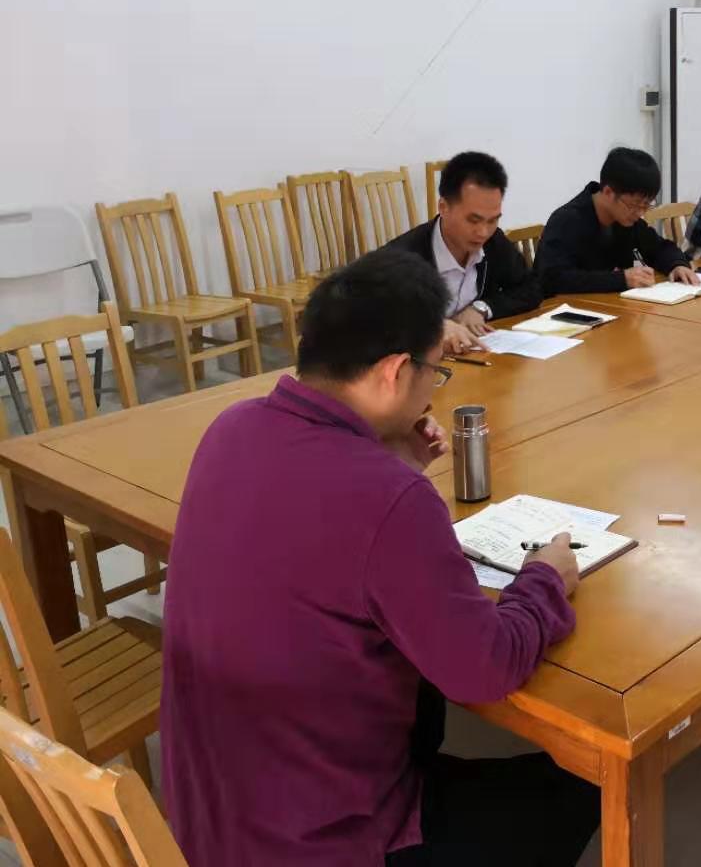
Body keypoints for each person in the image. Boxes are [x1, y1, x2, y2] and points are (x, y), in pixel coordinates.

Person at [161, 249, 598, 866]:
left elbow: (328, 537)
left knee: (419, 685)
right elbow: (485, 668)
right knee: (585, 786)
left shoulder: (230, 428)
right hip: (316, 844)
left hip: (209, 816)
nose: (432, 392)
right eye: (435, 371)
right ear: (394, 371)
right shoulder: (388, 498)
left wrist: (392, 465)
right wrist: (544, 579)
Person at [384, 151, 541, 356]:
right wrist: (434, 327)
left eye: (493, 220)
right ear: (443, 207)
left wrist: (481, 308)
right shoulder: (403, 257)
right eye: (473, 220)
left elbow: (530, 287)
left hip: (475, 359)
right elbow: (368, 318)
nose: (483, 232)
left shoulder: (493, 242)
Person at [535, 145, 701, 295]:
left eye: (646, 205)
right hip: (564, 310)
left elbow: (659, 247)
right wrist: (621, 279)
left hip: (610, 306)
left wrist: (677, 265)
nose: (640, 213)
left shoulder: (625, 219)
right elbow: (553, 278)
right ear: (608, 192)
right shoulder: (567, 220)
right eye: (634, 205)